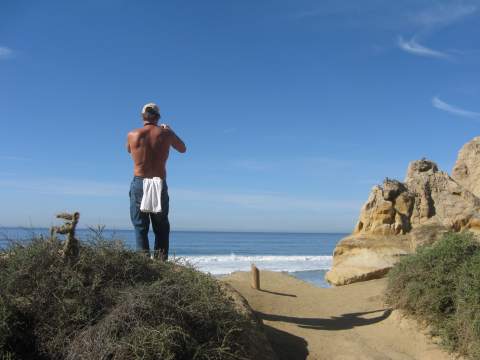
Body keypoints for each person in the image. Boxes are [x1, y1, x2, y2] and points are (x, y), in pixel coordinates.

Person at [126, 103, 186, 260]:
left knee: (140, 227)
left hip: (139, 181)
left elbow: (128, 149)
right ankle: (160, 265)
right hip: (159, 182)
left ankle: (144, 265)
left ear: (142, 116)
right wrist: (170, 131)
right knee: (161, 227)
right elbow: (182, 148)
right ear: (158, 117)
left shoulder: (132, 134)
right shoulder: (166, 134)